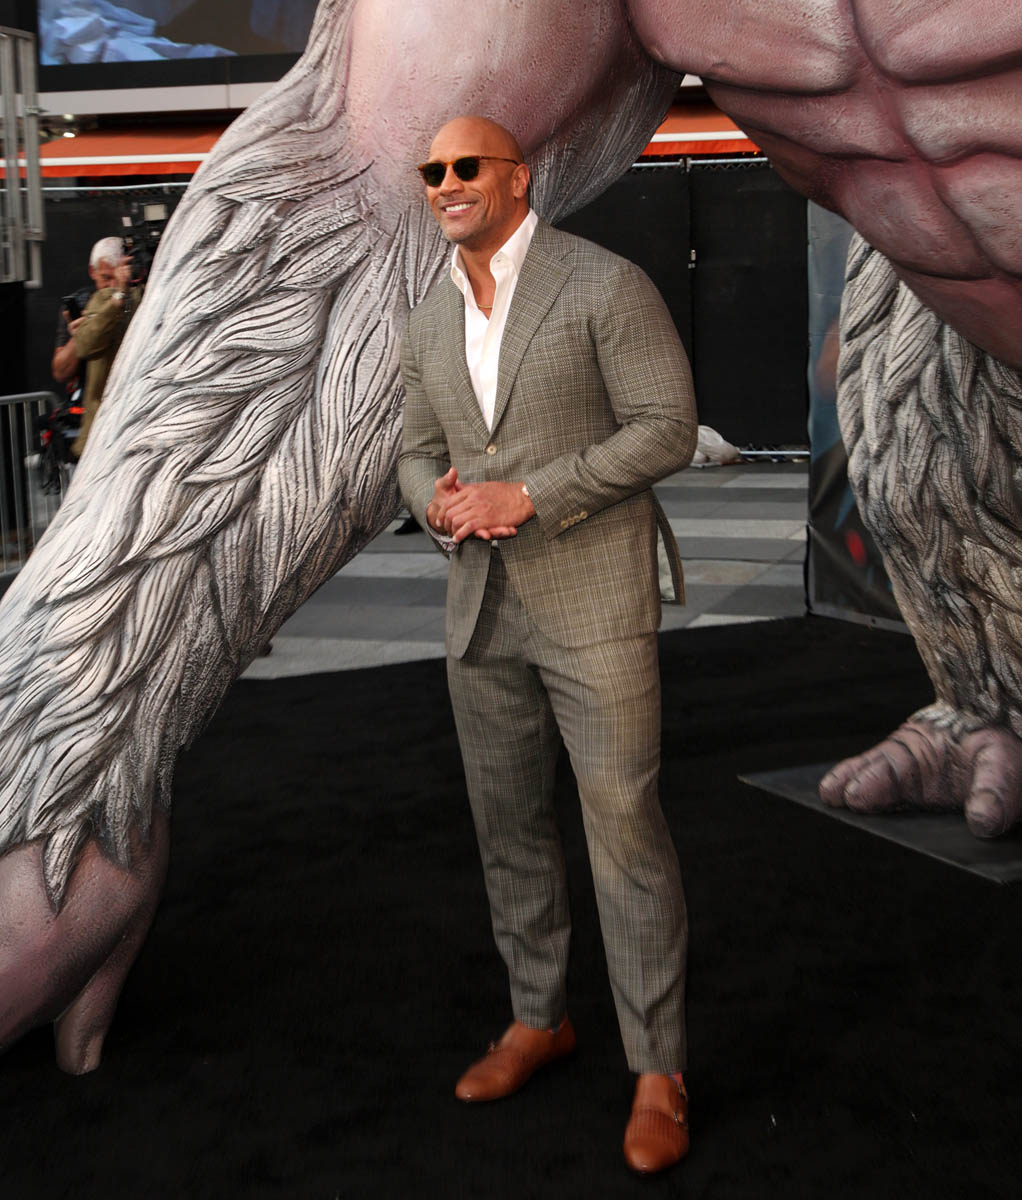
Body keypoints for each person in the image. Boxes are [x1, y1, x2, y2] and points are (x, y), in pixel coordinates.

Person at [397, 115, 698, 1175]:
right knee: (507, 826)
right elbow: (414, 447)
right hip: (480, 610)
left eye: (463, 166)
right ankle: (538, 1017)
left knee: (623, 828)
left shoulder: (604, 284)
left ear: (517, 178)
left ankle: (657, 1067)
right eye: (430, 171)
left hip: (594, 602)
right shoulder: (428, 315)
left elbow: (666, 425)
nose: (443, 183)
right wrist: (432, 503)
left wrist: (528, 494)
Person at [65, 236, 141, 460]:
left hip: (122, 426)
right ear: (93, 272)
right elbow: (84, 347)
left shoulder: (136, 296)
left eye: (114, 277)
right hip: (107, 428)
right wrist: (116, 299)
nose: (109, 286)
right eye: (105, 278)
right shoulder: (98, 299)